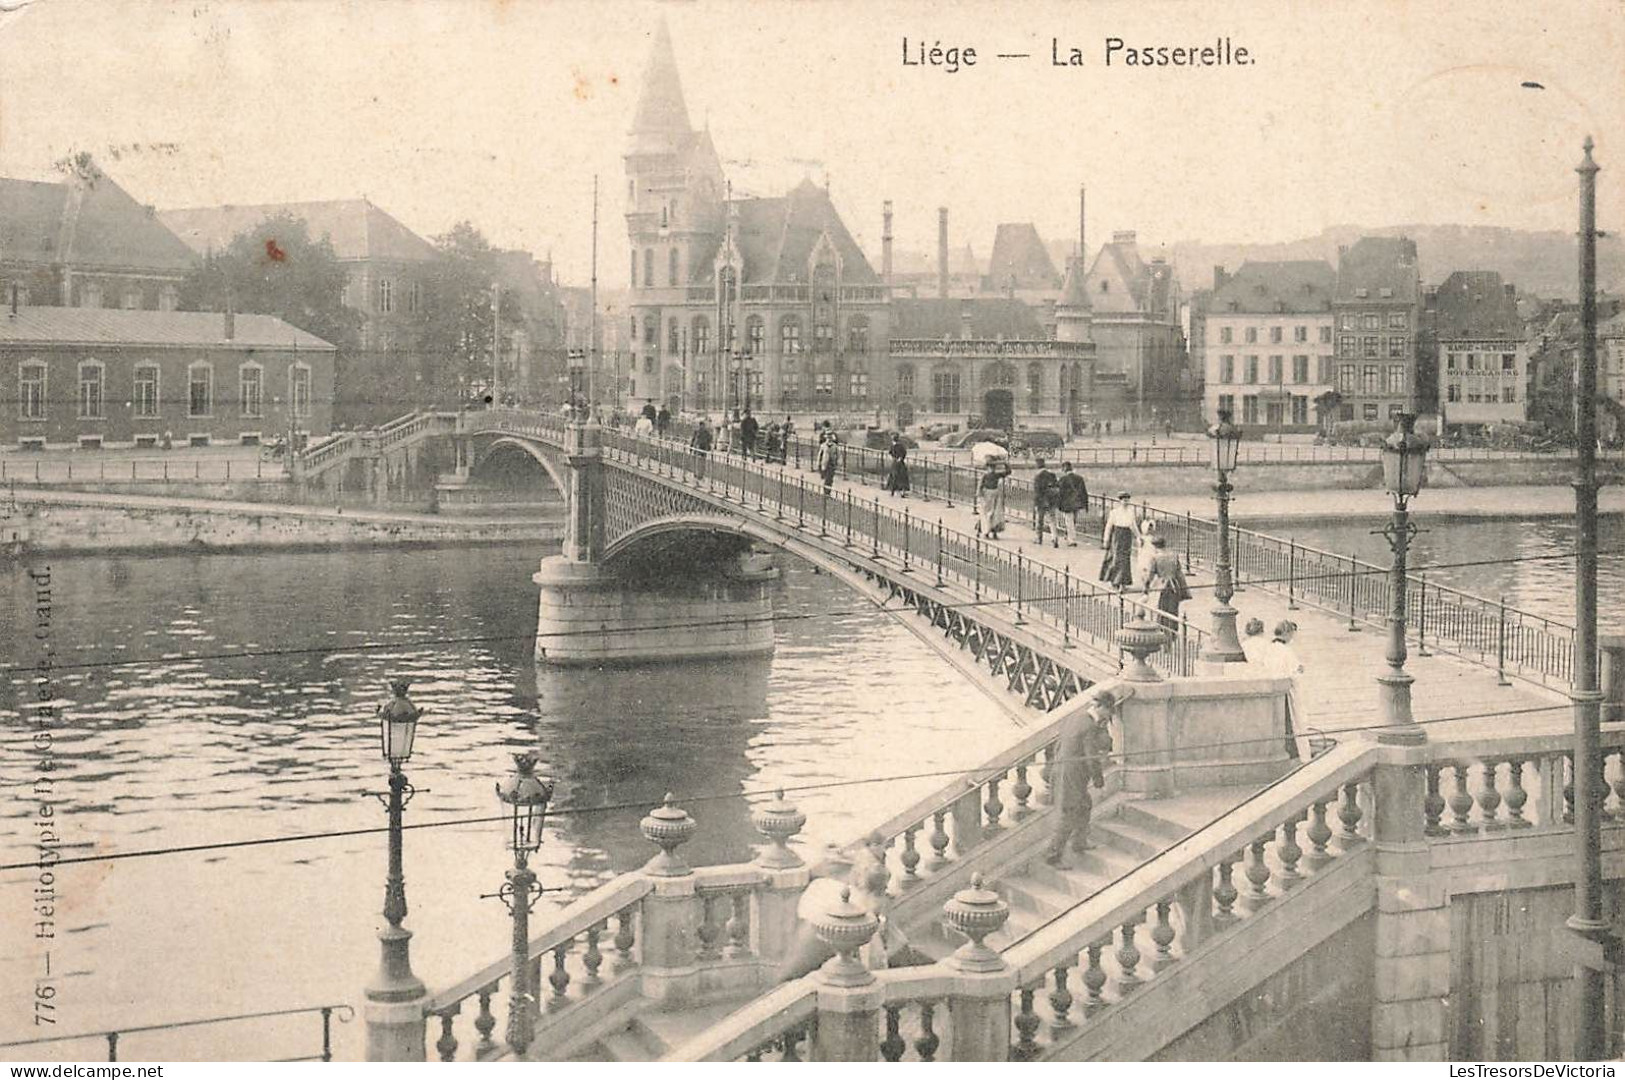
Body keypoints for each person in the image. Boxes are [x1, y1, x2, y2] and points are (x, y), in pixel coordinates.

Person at [1046, 690, 1119, 867]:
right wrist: (1098, 779)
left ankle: (1079, 842)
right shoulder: (1090, 726)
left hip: (1061, 770)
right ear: (1102, 707)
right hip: (1072, 776)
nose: (1109, 716)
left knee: (1085, 804)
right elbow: (1090, 757)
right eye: (1109, 712)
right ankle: (1053, 856)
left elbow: (1058, 745)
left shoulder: (1076, 717)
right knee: (1069, 813)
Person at [1259, 619, 1305, 760]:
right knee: (1290, 722)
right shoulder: (1286, 651)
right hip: (1285, 691)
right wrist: (1299, 670)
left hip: (1269, 687)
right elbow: (1295, 671)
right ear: (1287, 633)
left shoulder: (1268, 648)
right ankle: (1294, 752)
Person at [1141, 534, 1191, 630]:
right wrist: (1184, 590)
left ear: (1155, 546)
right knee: (1173, 610)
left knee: (1161, 609)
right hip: (1174, 585)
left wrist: (1146, 588)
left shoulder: (1155, 558)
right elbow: (1179, 574)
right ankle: (1172, 632)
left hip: (1162, 586)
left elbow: (1150, 575)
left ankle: (1162, 630)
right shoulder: (1173, 556)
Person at [1100, 492, 1139, 589]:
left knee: (1125, 559)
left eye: (1127, 500)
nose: (1126, 502)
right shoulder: (1114, 512)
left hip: (1127, 536)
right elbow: (1109, 527)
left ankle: (1123, 582)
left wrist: (1138, 536)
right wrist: (1106, 539)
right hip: (1117, 536)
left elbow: (1133, 526)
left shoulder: (1131, 512)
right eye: (1124, 500)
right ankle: (1114, 581)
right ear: (1120, 501)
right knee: (1116, 558)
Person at [1056, 462, 1088, 547]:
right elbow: (1084, 492)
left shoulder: (1063, 479)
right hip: (1077, 503)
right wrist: (1085, 504)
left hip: (1067, 504)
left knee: (1069, 521)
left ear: (1064, 469)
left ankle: (1072, 540)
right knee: (1073, 521)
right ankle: (1068, 536)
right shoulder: (1079, 478)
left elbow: (1059, 493)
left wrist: (1058, 504)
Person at [977, 459, 1008, 539]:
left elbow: (1008, 472)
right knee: (986, 514)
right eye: (990, 468)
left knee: (995, 514)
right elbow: (980, 485)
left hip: (995, 494)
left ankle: (993, 532)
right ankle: (985, 531)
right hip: (987, 495)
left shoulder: (996, 475)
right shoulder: (985, 476)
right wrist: (979, 493)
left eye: (993, 468)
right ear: (988, 468)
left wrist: (1005, 464)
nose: (992, 469)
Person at [1032, 458, 1060, 547]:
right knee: (1052, 520)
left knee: (1039, 520)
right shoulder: (1052, 475)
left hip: (1041, 502)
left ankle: (1038, 538)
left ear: (1037, 465)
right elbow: (1056, 487)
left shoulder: (1037, 477)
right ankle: (1054, 538)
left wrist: (1035, 503)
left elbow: (1037, 492)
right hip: (1051, 501)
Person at [885, 432, 911, 498]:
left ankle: (894, 492)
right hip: (899, 463)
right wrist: (899, 458)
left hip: (896, 463)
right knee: (900, 477)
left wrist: (896, 458)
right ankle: (900, 492)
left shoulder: (894, 446)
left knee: (896, 477)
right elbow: (904, 453)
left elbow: (891, 452)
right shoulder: (898, 446)